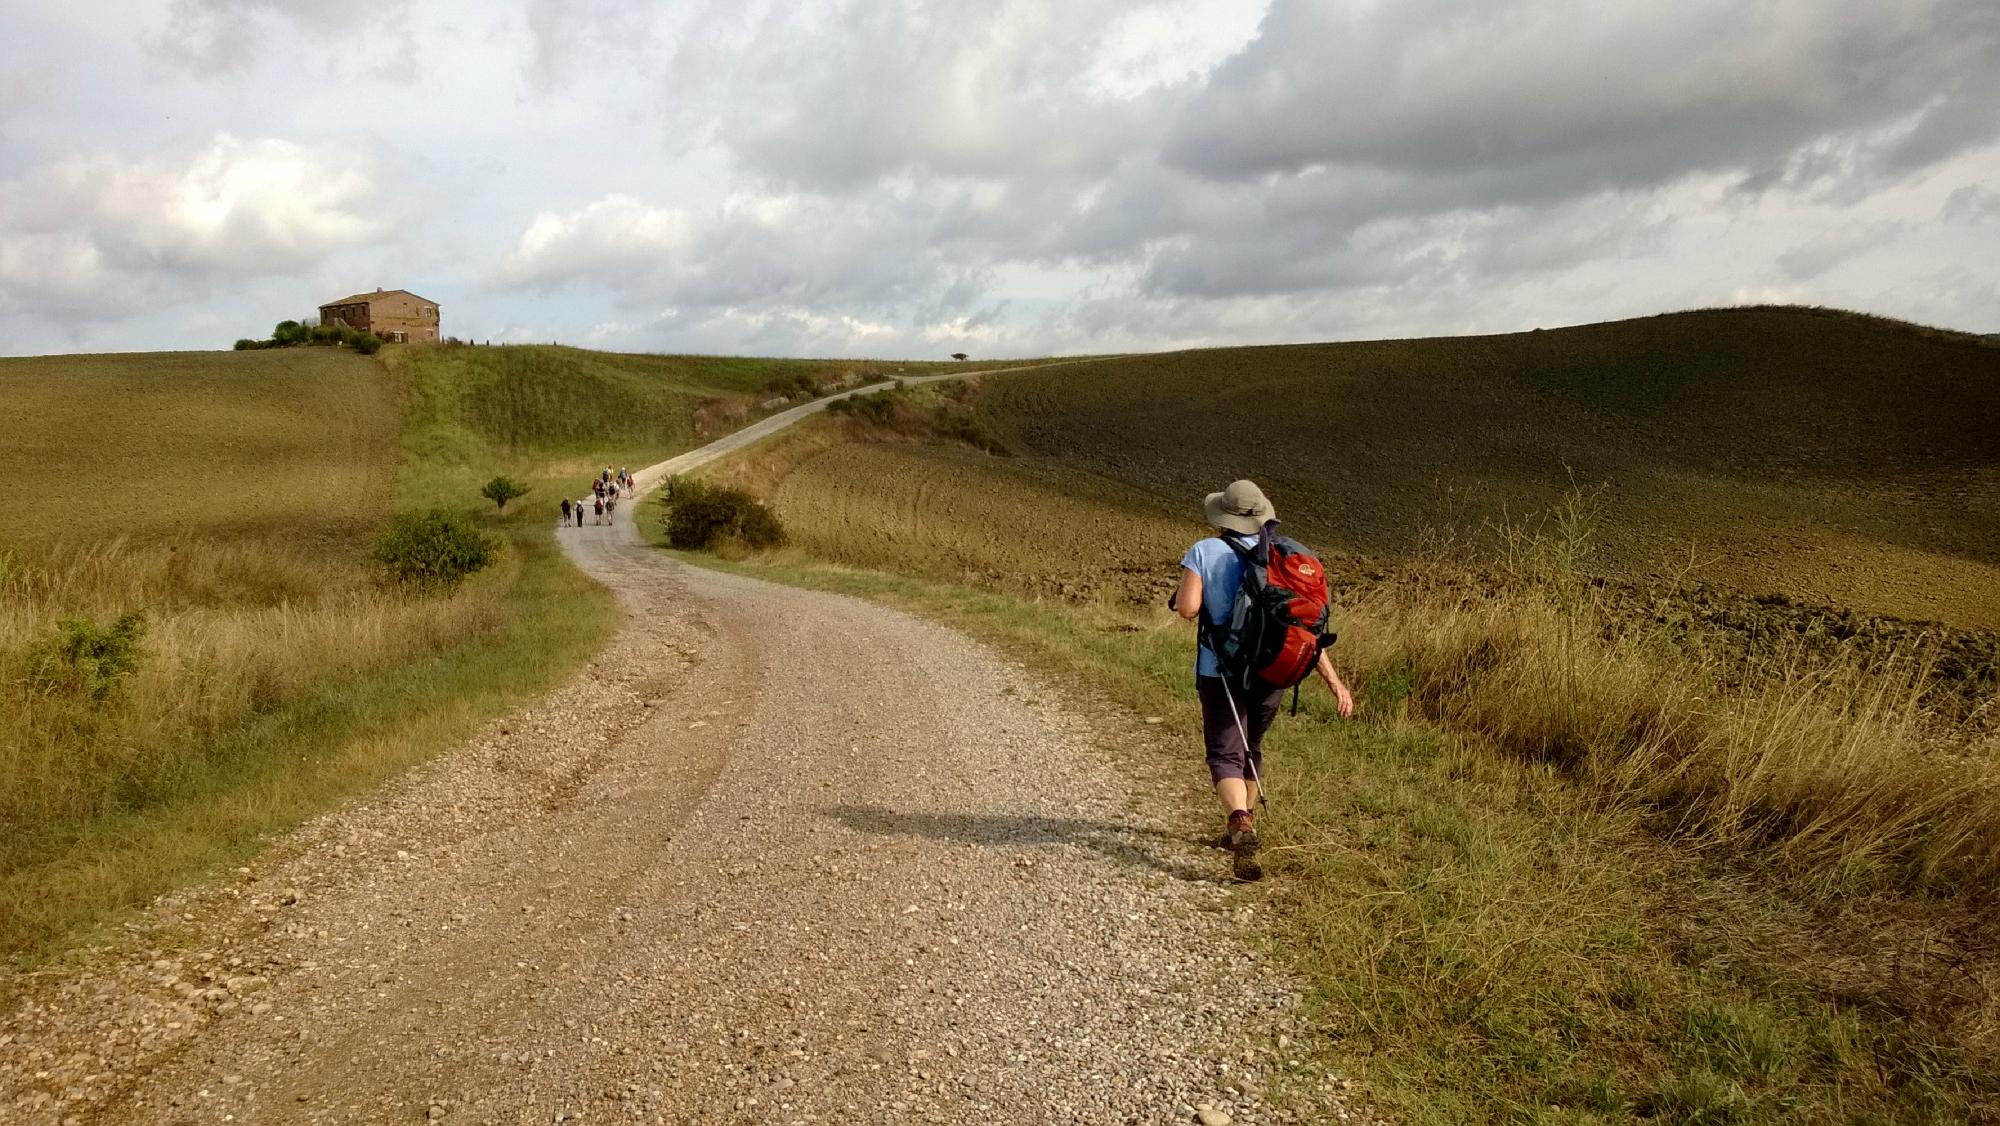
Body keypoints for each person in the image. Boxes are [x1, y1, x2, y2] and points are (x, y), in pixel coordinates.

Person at [1171, 479, 1354, 881]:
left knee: (1224, 752)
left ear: (1224, 515)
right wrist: (1336, 684)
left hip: (1219, 670)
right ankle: (1247, 820)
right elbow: (1302, 629)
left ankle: (1240, 823)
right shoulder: (1284, 559)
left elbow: (1187, 609)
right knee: (1252, 747)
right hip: (1272, 670)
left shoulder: (1204, 551)